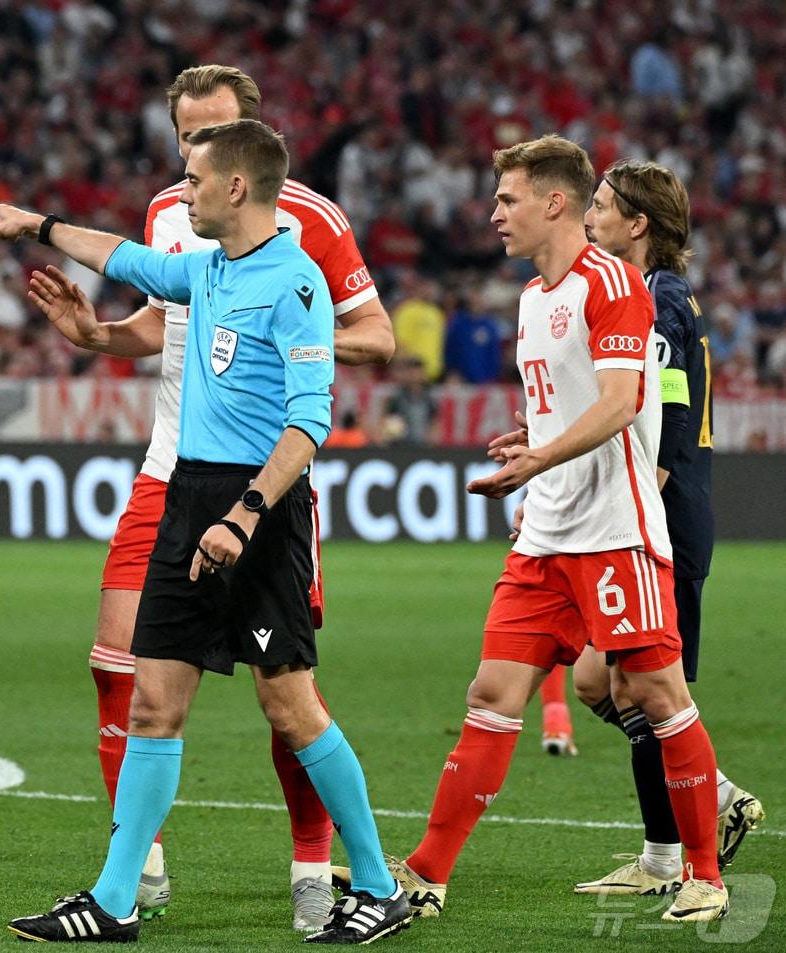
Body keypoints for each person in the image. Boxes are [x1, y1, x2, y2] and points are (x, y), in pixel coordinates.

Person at [0, 118, 412, 945]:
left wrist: (245, 514)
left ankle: (381, 884)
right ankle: (114, 899)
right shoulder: (211, 268)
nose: (182, 191)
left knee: (289, 703)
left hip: (261, 507)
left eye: (194, 177)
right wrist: (40, 232)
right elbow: (125, 259)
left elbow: (309, 421)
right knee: (153, 703)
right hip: (188, 498)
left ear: (237, 187)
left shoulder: (296, 285)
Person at [336, 136, 730, 924]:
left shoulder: (613, 282)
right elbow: (581, 399)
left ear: (555, 201)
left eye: (507, 199)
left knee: (658, 694)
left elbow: (623, 402)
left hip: (616, 530)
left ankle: (704, 874)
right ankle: (427, 871)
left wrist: (540, 454)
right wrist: (534, 438)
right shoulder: (530, 296)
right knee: (492, 692)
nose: (493, 215)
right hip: (547, 536)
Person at [564, 159, 762, 894]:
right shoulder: (656, 293)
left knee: (641, 688)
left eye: (603, 205)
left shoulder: (659, 299)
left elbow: (668, 422)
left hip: (664, 521)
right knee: (598, 680)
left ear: (638, 224)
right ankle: (702, 804)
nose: (590, 216)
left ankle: (669, 857)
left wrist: (635, 511)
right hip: (663, 517)